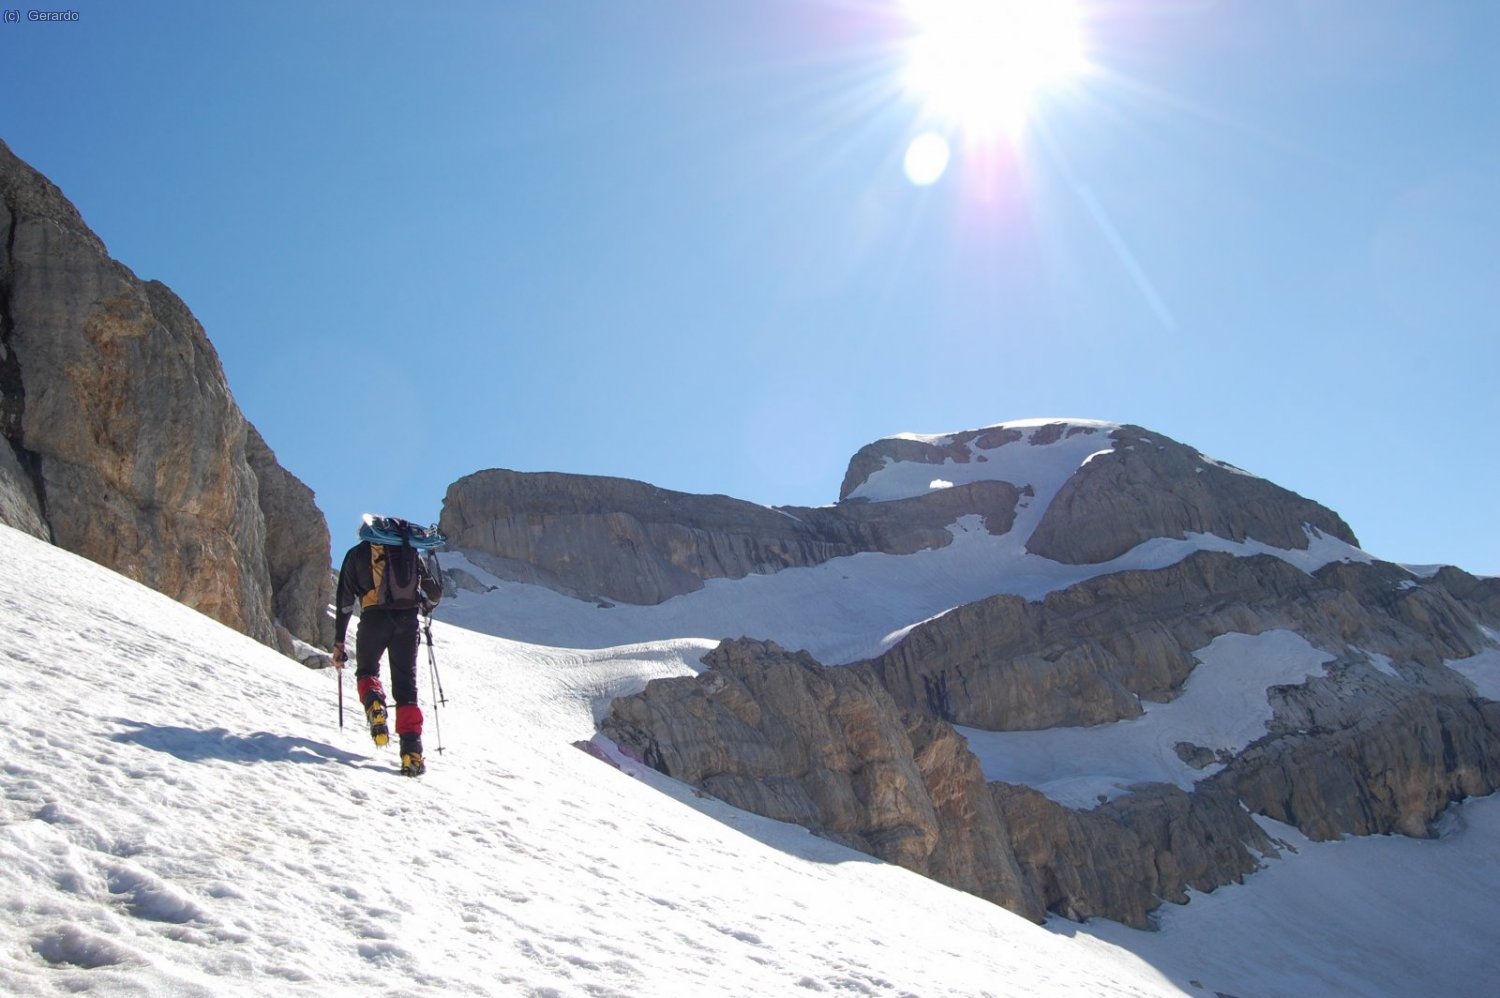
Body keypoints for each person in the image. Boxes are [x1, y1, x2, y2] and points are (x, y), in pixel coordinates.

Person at [332, 521, 443, 776]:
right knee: (406, 691)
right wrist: (426, 605)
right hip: (407, 622)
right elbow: (434, 592)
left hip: (373, 620)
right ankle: (411, 755)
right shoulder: (409, 553)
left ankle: (374, 704)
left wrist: (339, 642)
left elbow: (345, 602)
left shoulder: (357, 554)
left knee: (367, 672)